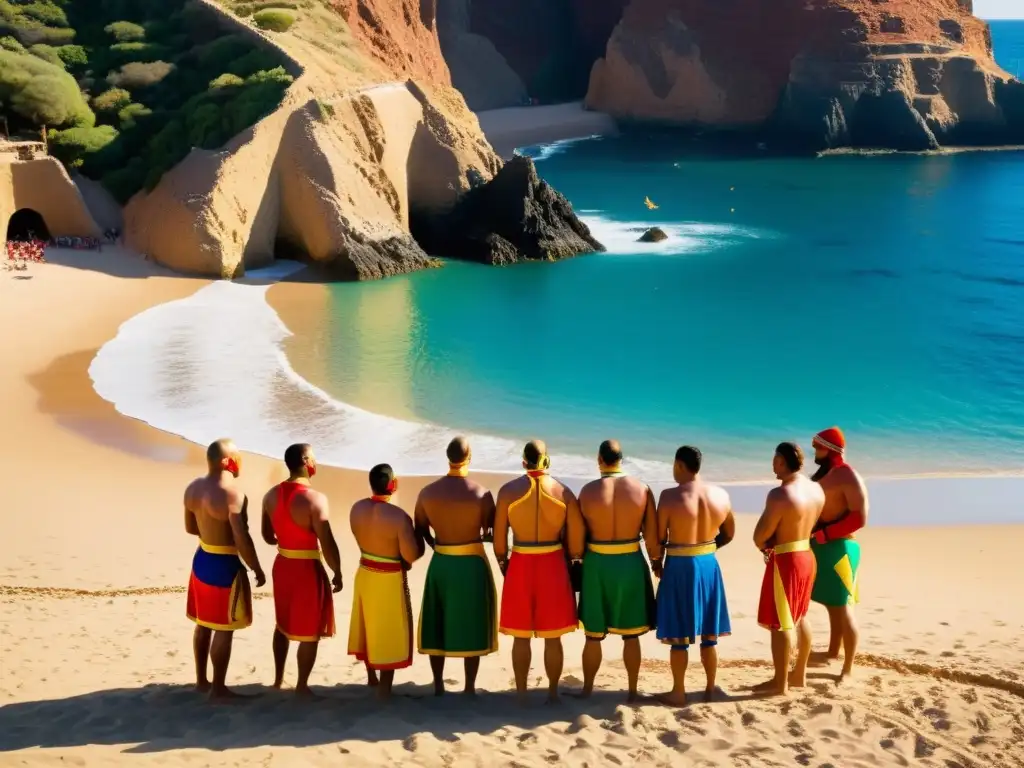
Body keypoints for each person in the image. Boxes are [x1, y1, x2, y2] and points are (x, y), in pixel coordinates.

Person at [493, 440, 584, 703]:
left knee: (520, 637)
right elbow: (576, 541)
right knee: (552, 637)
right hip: (553, 562)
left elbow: (500, 539)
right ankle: (553, 693)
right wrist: (574, 561)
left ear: (523, 461)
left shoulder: (508, 491)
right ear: (547, 460)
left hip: (521, 561)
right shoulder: (563, 491)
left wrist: (503, 564)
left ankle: (521, 693)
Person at [415, 437, 499, 696]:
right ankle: (469, 687)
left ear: (447, 457)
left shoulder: (427, 492)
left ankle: (438, 684)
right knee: (472, 623)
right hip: (472, 563)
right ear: (469, 456)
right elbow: (491, 530)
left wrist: (438, 547)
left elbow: (420, 529)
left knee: (436, 621)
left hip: (442, 562)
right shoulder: (481, 493)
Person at [575, 439, 657, 702]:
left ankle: (587, 689)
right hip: (630, 561)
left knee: (593, 636)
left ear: (599, 459)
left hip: (597, 563)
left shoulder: (587, 492)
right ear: (622, 459)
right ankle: (632, 690)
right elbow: (652, 538)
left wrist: (576, 560)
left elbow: (577, 541)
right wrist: (657, 562)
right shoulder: (642, 489)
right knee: (631, 636)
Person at [184, 439, 265, 700]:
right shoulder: (234, 495)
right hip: (224, 564)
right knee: (223, 627)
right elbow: (241, 538)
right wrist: (256, 568)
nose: (241, 461)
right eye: (238, 457)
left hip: (202, 558)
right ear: (227, 462)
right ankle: (218, 688)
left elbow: (190, 528)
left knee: (202, 623)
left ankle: (201, 681)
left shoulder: (193, 488)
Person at [654, 445, 735, 705]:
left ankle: (679, 691)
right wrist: (707, 548)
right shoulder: (721, 495)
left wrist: (657, 562)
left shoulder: (668, 496)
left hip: (680, 565)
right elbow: (729, 533)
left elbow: (657, 539)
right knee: (709, 635)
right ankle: (710, 688)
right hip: (708, 565)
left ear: (679, 465)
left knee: (679, 634)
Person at [261, 443, 343, 696]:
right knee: (309, 630)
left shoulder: (271, 495)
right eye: (315, 458)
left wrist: (284, 540)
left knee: (282, 623)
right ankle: (302, 685)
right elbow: (327, 542)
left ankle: (277, 678)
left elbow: (266, 535)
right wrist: (337, 571)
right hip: (306, 567)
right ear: (306, 461)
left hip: (283, 564)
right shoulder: (315, 499)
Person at [753, 442, 824, 696]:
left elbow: (760, 536)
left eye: (775, 460)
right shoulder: (816, 490)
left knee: (781, 623)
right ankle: (799, 675)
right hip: (807, 554)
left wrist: (766, 545)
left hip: (786, 559)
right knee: (801, 615)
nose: (773, 464)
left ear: (782, 462)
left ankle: (780, 683)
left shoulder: (780, 494)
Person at [348, 463, 424, 700]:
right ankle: (384, 688)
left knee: (369, 624)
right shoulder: (399, 517)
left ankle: (371, 677)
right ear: (392, 485)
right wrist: (419, 538)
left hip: (365, 571)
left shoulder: (357, 509)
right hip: (388, 577)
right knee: (389, 630)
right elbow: (410, 555)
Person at [809, 427, 869, 682]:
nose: (815, 452)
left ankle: (847, 670)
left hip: (841, 548)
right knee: (832, 606)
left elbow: (859, 516)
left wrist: (825, 535)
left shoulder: (847, 475)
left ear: (830, 449)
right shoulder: (824, 474)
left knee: (844, 609)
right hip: (822, 548)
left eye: (818, 447)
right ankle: (833, 653)